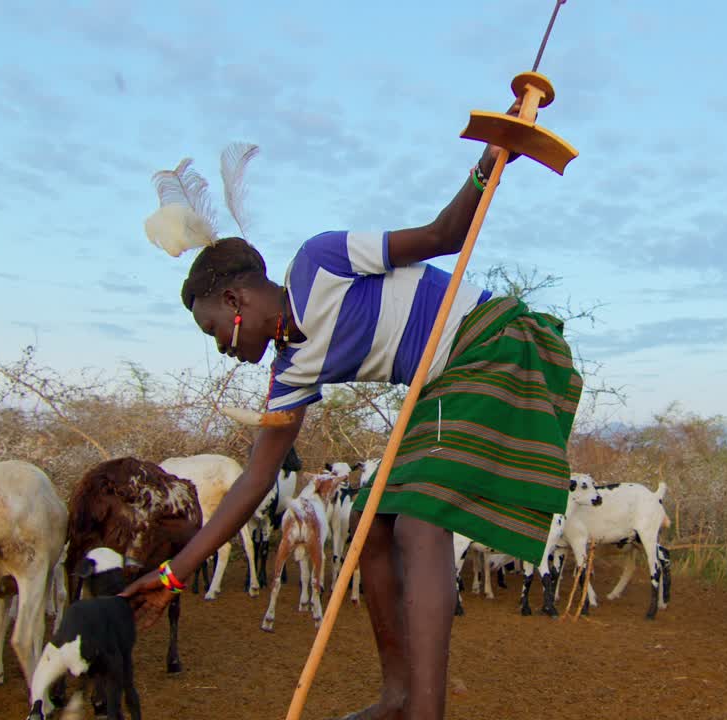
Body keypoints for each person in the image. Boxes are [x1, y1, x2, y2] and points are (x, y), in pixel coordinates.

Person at [120, 100, 583, 720]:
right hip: (442, 383)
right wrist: (175, 574)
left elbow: (444, 237)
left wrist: (489, 162)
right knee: (373, 529)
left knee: (418, 516)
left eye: (214, 331)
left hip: (492, 343)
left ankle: (425, 711)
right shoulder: (290, 373)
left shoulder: (321, 262)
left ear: (234, 299)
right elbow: (254, 483)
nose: (223, 352)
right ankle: (396, 697)